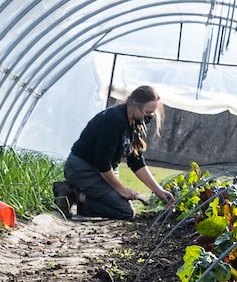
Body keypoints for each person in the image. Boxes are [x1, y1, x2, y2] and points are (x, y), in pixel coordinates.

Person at [53, 85, 172, 220]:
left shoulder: (133, 124)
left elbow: (136, 162)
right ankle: (72, 194)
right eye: (147, 112)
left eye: (152, 114)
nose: (148, 117)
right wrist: (122, 190)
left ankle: (83, 200)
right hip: (82, 170)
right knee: (125, 211)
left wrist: (158, 190)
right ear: (134, 104)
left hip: (97, 172)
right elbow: (102, 163)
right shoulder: (114, 120)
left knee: (118, 203)